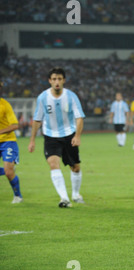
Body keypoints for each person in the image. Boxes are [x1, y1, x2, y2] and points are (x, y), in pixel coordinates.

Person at [28, 67, 85, 207]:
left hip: (69, 135)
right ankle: (64, 199)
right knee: (53, 164)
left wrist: (77, 136)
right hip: (50, 136)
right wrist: (32, 140)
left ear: (64, 80)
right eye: (54, 79)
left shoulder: (71, 96)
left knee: (75, 167)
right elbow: (37, 119)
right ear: (49, 81)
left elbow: (79, 118)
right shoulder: (43, 97)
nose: (57, 82)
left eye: (59, 79)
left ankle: (76, 194)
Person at [0, 78, 23, 203]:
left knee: (9, 173)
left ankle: (18, 196)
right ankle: (8, 168)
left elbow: (15, 125)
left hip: (8, 141)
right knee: (8, 170)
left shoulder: (5, 105)